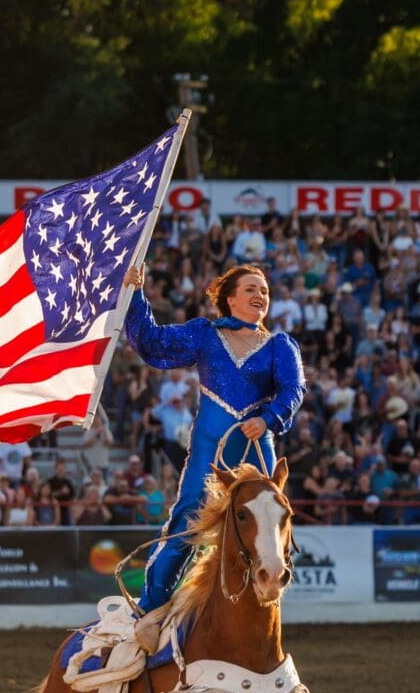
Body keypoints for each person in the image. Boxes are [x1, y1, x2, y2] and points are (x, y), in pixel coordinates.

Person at [122, 262, 305, 648]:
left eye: (265, 291)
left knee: (266, 524)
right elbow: (152, 344)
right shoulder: (204, 335)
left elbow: (293, 390)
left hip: (256, 447)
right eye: (251, 289)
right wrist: (136, 294)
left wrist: (269, 418)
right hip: (209, 449)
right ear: (230, 298)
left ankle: (258, 608)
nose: (260, 296)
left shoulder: (279, 345)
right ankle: (152, 610)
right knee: (187, 519)